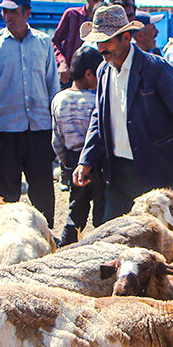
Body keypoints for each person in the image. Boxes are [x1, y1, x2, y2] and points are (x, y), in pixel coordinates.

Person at [74, 5, 173, 220]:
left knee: (159, 234)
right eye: (98, 42)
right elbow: (99, 118)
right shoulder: (103, 70)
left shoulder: (154, 68)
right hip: (117, 172)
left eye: (107, 41)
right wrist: (85, 160)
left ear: (126, 38)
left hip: (155, 169)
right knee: (114, 232)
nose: (101, 48)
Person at [0, 0, 61, 226]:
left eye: (13, 11)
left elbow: (52, 85)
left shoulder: (44, 43)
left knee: (42, 187)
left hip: (39, 128)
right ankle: (7, 233)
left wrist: (56, 127)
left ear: (27, 13)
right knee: (6, 191)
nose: (7, 16)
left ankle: (46, 233)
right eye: (4, 11)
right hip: (5, 129)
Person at [52, 46, 105, 245]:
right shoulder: (96, 100)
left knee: (76, 209)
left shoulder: (58, 99)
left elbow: (56, 139)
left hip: (73, 160)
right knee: (101, 207)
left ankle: (67, 246)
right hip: (96, 161)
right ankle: (102, 244)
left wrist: (66, 164)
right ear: (89, 73)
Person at [53, 0, 107, 80]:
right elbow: (55, 42)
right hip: (69, 74)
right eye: (95, 1)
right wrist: (62, 62)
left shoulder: (103, 20)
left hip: (92, 77)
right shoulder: (71, 15)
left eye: (101, 1)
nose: (98, 4)